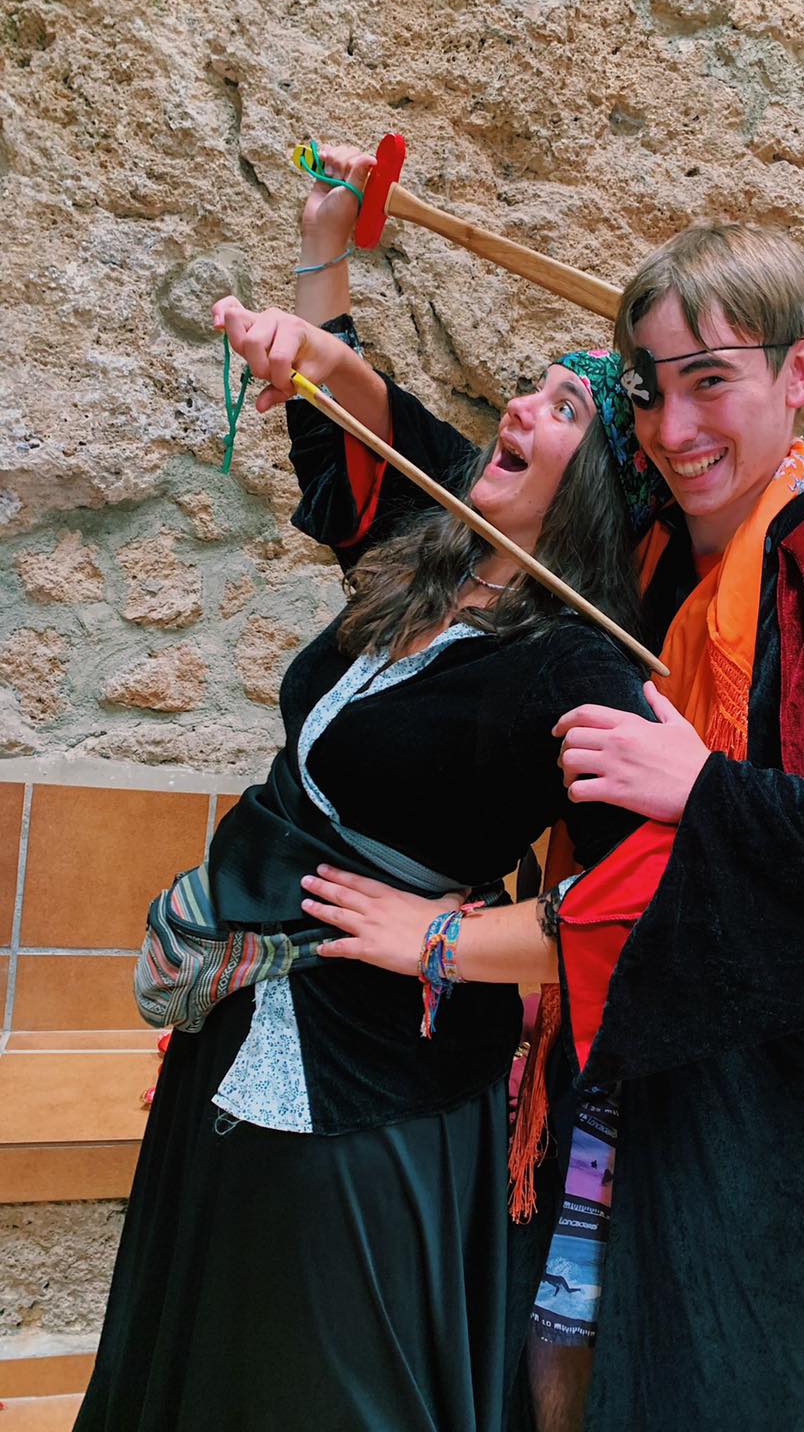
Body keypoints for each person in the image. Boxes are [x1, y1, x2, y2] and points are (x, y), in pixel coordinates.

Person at [298, 217, 804, 1431]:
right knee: (549, 1369)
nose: (674, 429)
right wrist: (321, 286)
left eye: (712, 381)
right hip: (588, 1048)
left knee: (692, 1383)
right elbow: (461, 482)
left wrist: (711, 792)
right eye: (653, 390)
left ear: (801, 370)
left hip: (737, 1097)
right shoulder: (651, 530)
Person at [72, 202, 660, 1427]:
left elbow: (641, 904)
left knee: (325, 1380)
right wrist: (322, 244)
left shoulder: (577, 665)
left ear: (602, 485)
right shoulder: (440, 542)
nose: (518, 409)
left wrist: (441, 939)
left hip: (371, 1078)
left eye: (561, 409)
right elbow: (348, 412)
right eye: (530, 389)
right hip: (248, 1003)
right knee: (214, 1336)